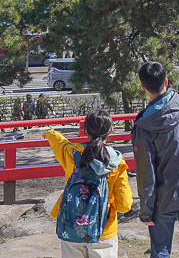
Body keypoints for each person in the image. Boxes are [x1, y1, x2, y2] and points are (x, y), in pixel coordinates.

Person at [133, 59, 179, 258]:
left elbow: (145, 172)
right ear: (166, 81)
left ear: (143, 87)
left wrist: (146, 211)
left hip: (163, 199)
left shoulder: (144, 125)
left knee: (161, 251)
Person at [47, 109, 133, 258]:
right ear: (111, 130)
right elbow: (124, 205)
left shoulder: (72, 154)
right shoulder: (117, 163)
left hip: (71, 225)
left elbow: (60, 144)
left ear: (85, 130)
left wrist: (50, 133)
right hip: (103, 229)